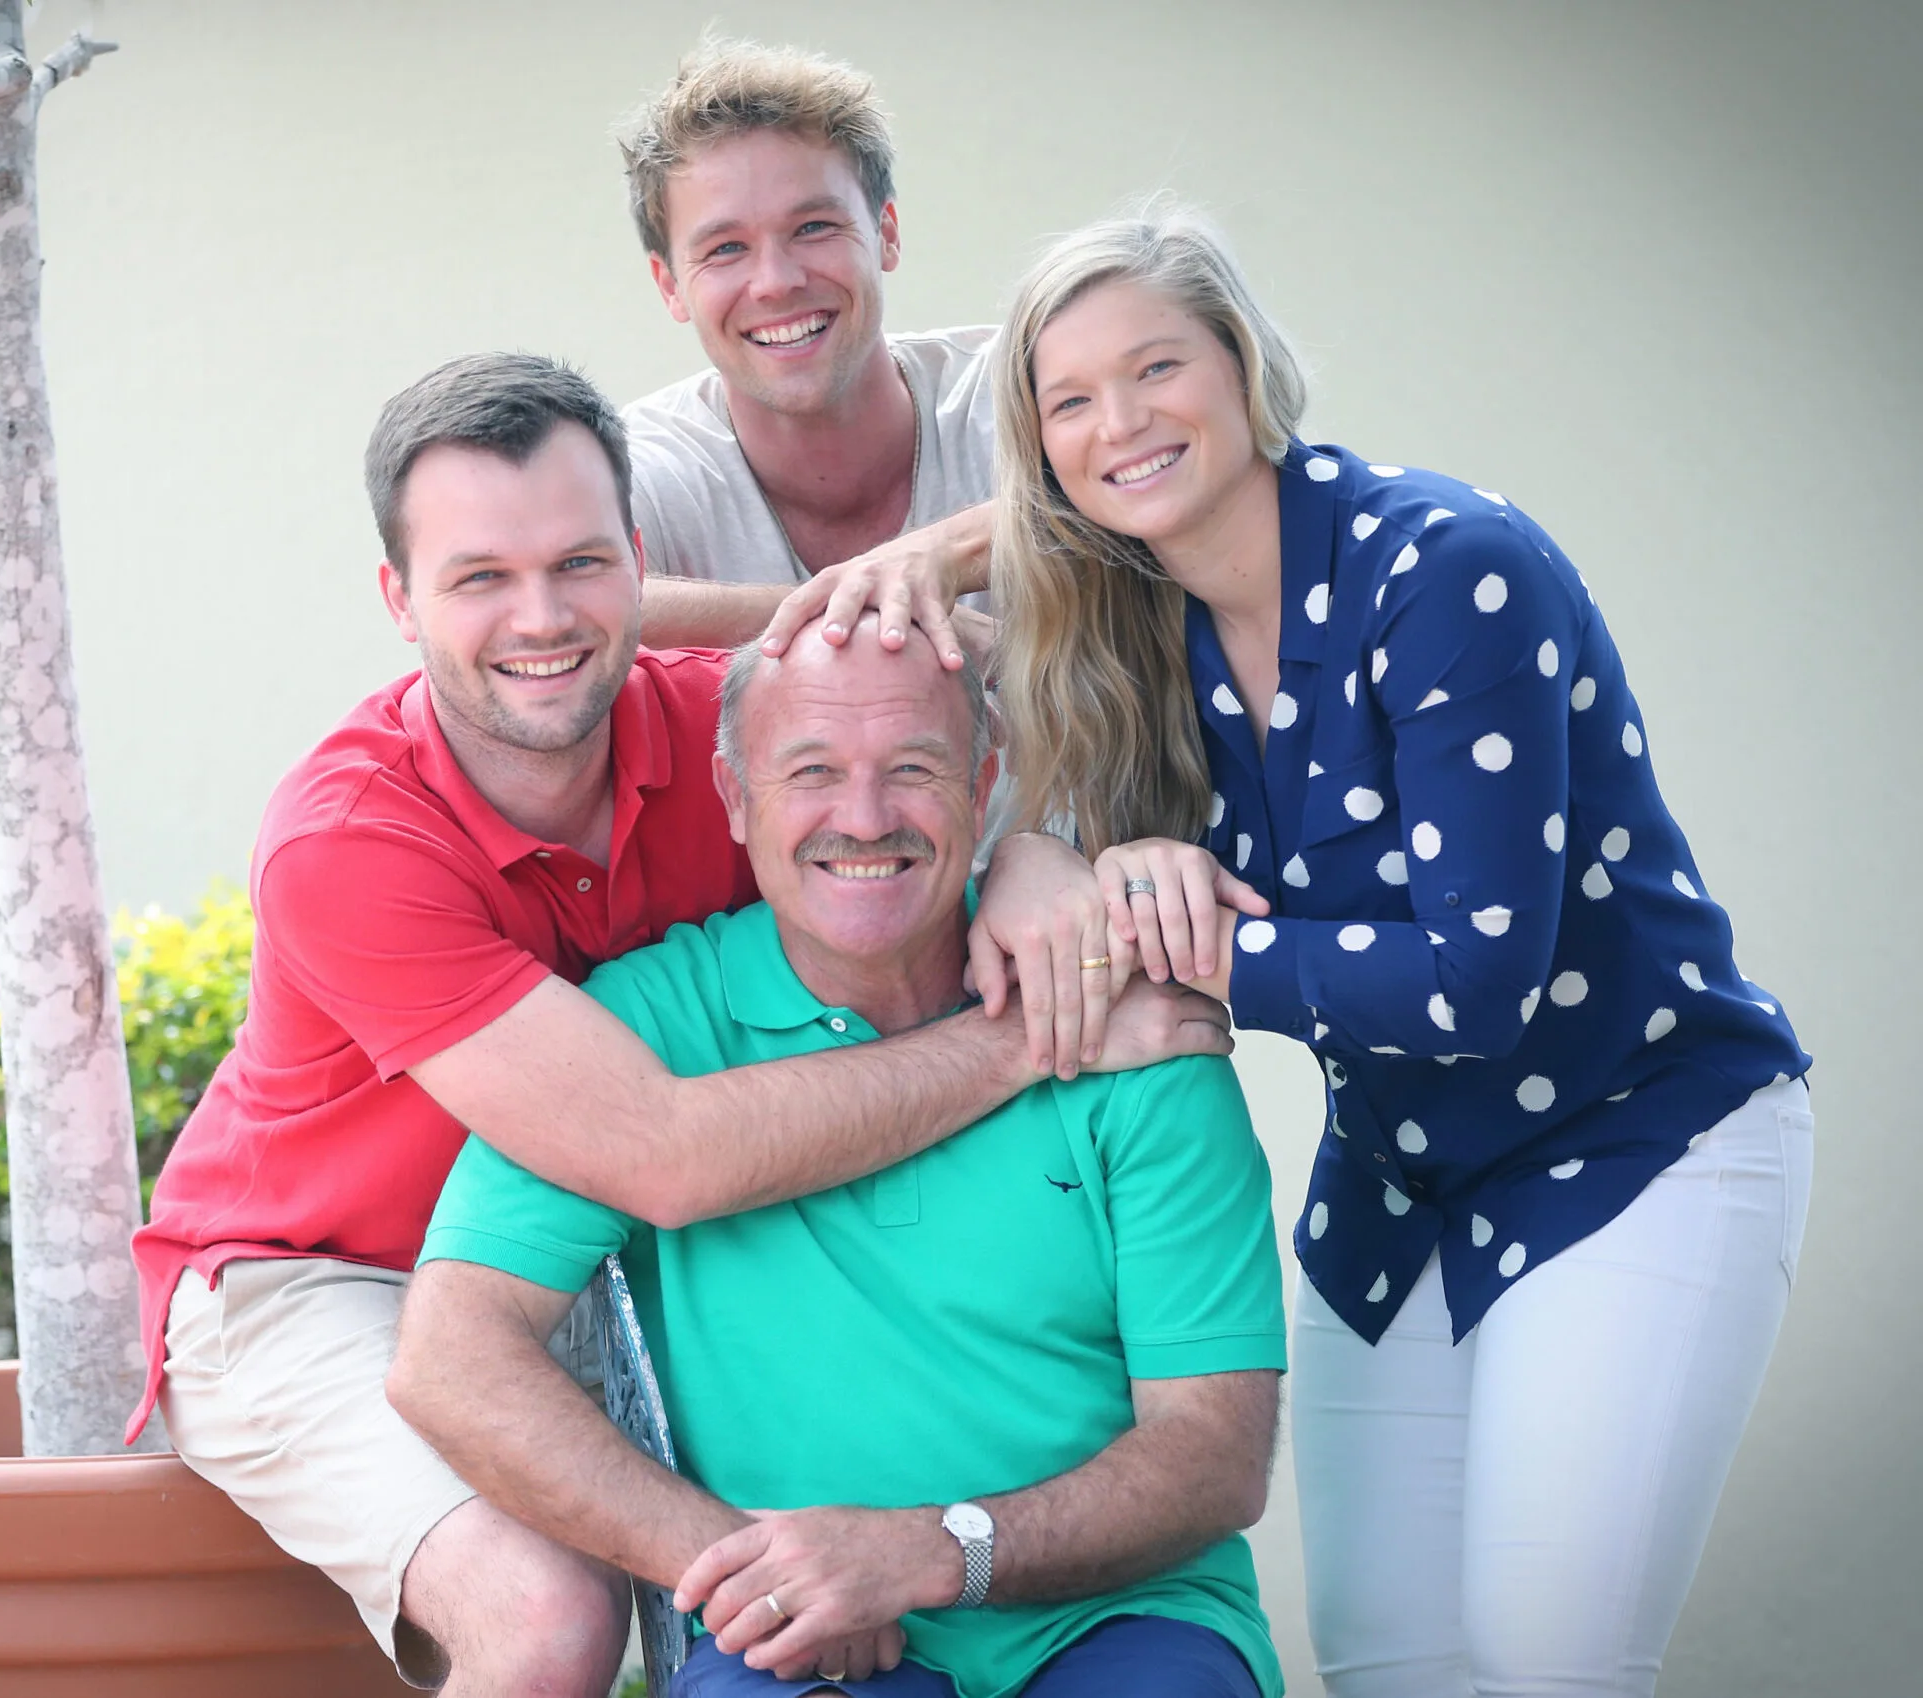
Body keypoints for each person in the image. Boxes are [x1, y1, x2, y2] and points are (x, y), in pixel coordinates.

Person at [128, 351, 1232, 1694]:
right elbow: (663, 1155)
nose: (541, 615)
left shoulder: (734, 734)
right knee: (550, 1620)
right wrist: (1027, 1035)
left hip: (572, 1250)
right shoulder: (349, 839)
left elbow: (938, 742)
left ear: (638, 567)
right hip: (316, 1272)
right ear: (397, 599)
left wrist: (1039, 854)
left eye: (580, 563)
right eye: (480, 576)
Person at [954, 204, 1813, 1697]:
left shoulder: (1445, 569)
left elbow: (1479, 981)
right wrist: (1082, 863)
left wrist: (1213, 948)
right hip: (1404, 1173)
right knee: (1391, 1663)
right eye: (1070, 401)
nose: (1122, 422)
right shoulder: (1132, 630)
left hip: (1640, 1134)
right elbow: (1039, 846)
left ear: (1242, 365)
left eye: (1157, 366)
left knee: (1548, 1655)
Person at [391, 616, 1286, 1698]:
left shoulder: (1129, 1026)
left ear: (983, 779)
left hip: (1116, 1624)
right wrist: (751, 1572)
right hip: (794, 1652)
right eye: (811, 771)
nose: (863, 819)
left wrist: (935, 1550)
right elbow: (451, 1360)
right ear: (733, 796)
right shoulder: (639, 1032)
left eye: (912, 768)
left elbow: (1211, 1455)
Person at [615, 39, 998, 674]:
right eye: (726, 248)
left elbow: (1190, 471)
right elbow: (555, 608)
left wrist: (940, 556)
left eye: (814, 227)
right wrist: (856, 604)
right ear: (669, 285)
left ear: (887, 234)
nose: (775, 281)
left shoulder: (1020, 389)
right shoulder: (637, 467)